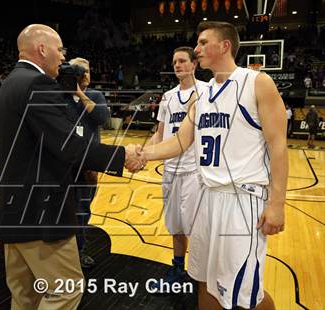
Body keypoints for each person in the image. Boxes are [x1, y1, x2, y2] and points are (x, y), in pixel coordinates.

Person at [0, 24, 144, 310]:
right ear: (42, 49)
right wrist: (122, 156)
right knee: (66, 291)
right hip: (39, 212)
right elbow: (70, 146)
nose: (63, 58)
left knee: (25, 294)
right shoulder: (36, 83)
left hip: (11, 208)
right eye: (59, 50)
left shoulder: (11, 82)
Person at [136, 21, 288, 310]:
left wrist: (277, 204)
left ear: (225, 46)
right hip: (207, 198)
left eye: (204, 42)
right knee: (204, 281)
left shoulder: (256, 82)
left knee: (245, 295)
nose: (197, 48)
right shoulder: (202, 95)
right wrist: (143, 155)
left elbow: (278, 145)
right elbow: (180, 141)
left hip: (242, 201)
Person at [145, 46, 206, 292]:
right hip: (170, 170)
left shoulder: (206, 91)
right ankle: (178, 267)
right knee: (176, 225)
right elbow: (159, 134)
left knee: (196, 226)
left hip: (194, 170)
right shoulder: (168, 96)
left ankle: (201, 272)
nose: (177, 65)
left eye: (182, 61)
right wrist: (142, 154)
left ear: (194, 64)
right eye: (174, 62)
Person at [67, 57, 110, 269]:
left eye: (88, 70)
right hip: (64, 165)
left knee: (82, 210)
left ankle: (79, 250)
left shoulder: (94, 95)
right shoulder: (60, 96)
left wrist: (79, 93)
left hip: (89, 166)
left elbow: (102, 117)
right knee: (63, 211)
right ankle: (63, 252)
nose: (85, 74)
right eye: (80, 70)